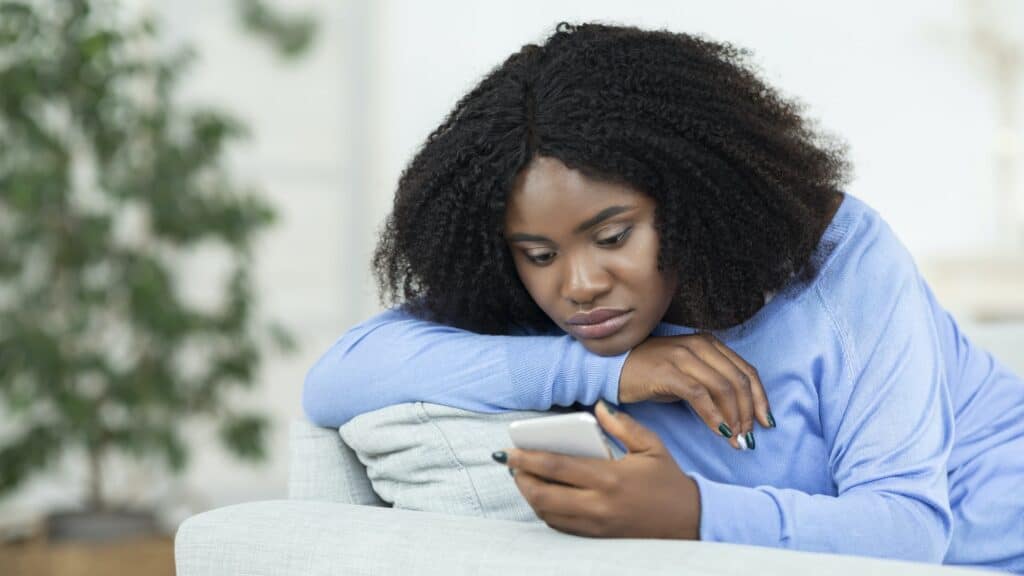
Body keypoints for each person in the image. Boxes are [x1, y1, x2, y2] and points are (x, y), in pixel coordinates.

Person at [303, 23, 1024, 572]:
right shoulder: (546, 312)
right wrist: (616, 370)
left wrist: (692, 510)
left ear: (690, 200)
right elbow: (341, 376)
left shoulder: (841, 260)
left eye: (614, 237)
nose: (579, 285)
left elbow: (911, 528)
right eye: (540, 254)